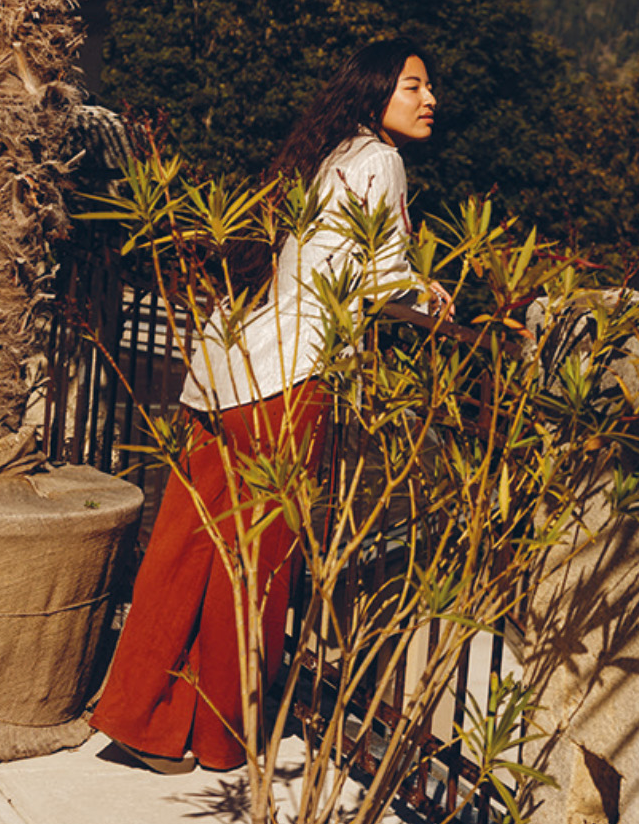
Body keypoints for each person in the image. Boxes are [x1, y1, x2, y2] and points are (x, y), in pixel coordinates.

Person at [90, 43, 446, 773]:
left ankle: (143, 717)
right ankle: (221, 735)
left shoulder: (331, 155)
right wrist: (425, 294)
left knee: (188, 545)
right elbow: (374, 273)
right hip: (286, 381)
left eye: (429, 85)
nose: (429, 96)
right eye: (414, 85)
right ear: (379, 91)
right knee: (256, 561)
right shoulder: (380, 160)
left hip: (232, 362)